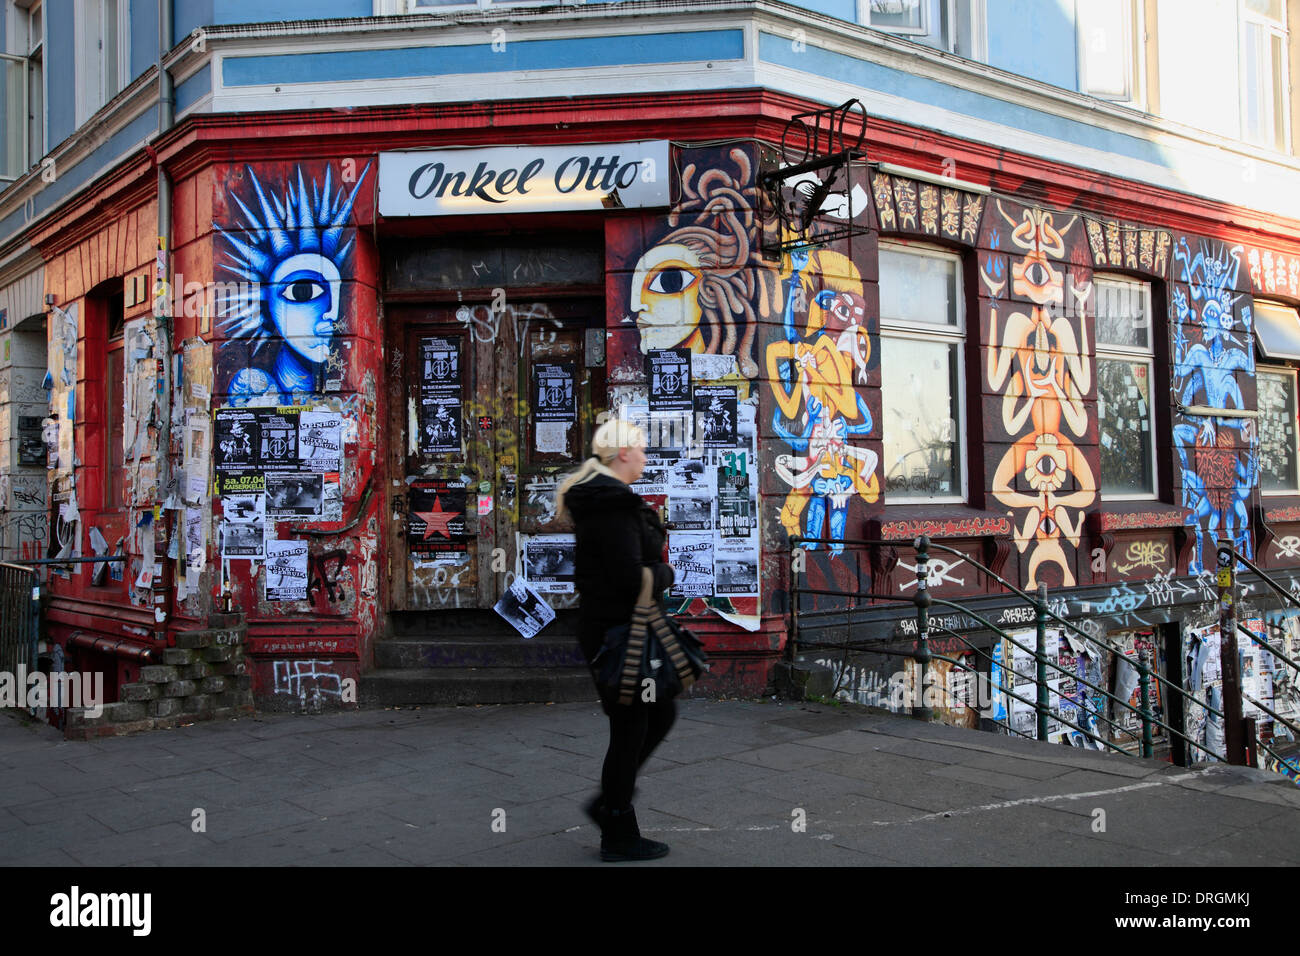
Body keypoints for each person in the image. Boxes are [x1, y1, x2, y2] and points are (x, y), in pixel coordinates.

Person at [556, 417, 677, 862]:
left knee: (657, 715)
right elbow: (630, 577)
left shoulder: (608, 500)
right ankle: (617, 828)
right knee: (633, 727)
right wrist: (667, 572)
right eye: (642, 449)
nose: (645, 457)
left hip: (616, 628)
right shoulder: (611, 504)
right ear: (623, 453)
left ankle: (611, 806)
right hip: (618, 632)